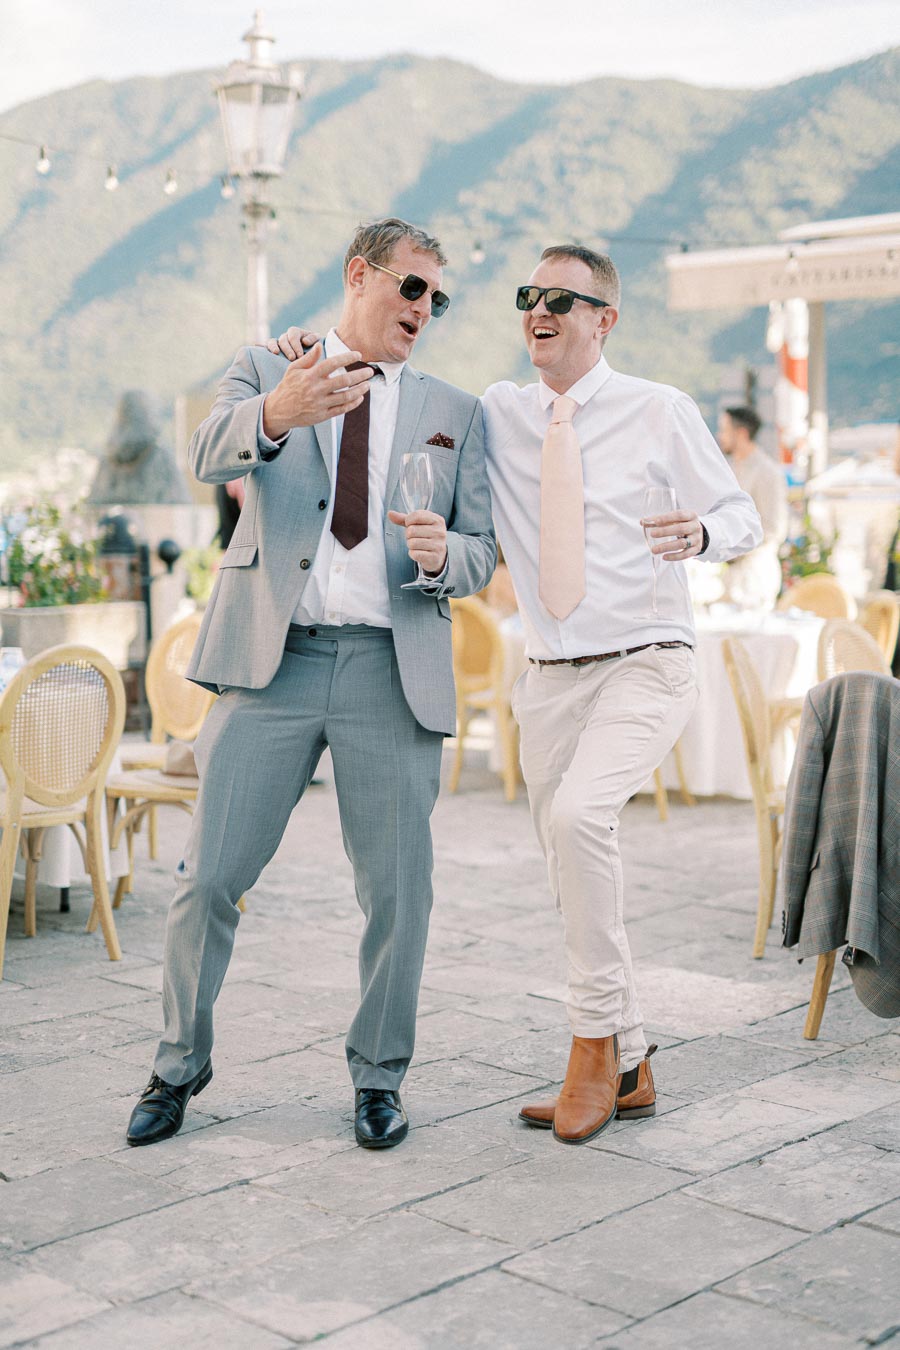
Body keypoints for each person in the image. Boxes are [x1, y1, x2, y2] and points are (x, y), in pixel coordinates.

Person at [271, 243, 761, 1146]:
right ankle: (634, 1059)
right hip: (548, 681)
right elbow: (403, 399)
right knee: (571, 868)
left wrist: (700, 532)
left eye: (561, 300)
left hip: (647, 658)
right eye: (529, 296)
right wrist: (309, 345)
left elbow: (743, 516)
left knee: (579, 821)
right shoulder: (496, 411)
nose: (538, 310)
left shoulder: (660, 409)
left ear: (604, 320)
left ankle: (591, 1051)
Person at [125, 218, 496, 1152]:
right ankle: (177, 1065)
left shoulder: (456, 410)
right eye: (412, 287)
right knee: (208, 878)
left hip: (390, 670)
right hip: (272, 662)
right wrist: (280, 411)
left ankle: (379, 1077)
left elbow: (482, 551)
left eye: (438, 297)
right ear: (359, 275)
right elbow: (209, 452)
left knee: (399, 894)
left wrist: (444, 556)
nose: (425, 308)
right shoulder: (267, 367)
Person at [717, 405, 788, 609]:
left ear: (741, 433)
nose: (720, 436)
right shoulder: (729, 469)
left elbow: (774, 528)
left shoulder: (767, 471)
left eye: (724, 430)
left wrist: (735, 549)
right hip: (730, 576)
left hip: (756, 576)